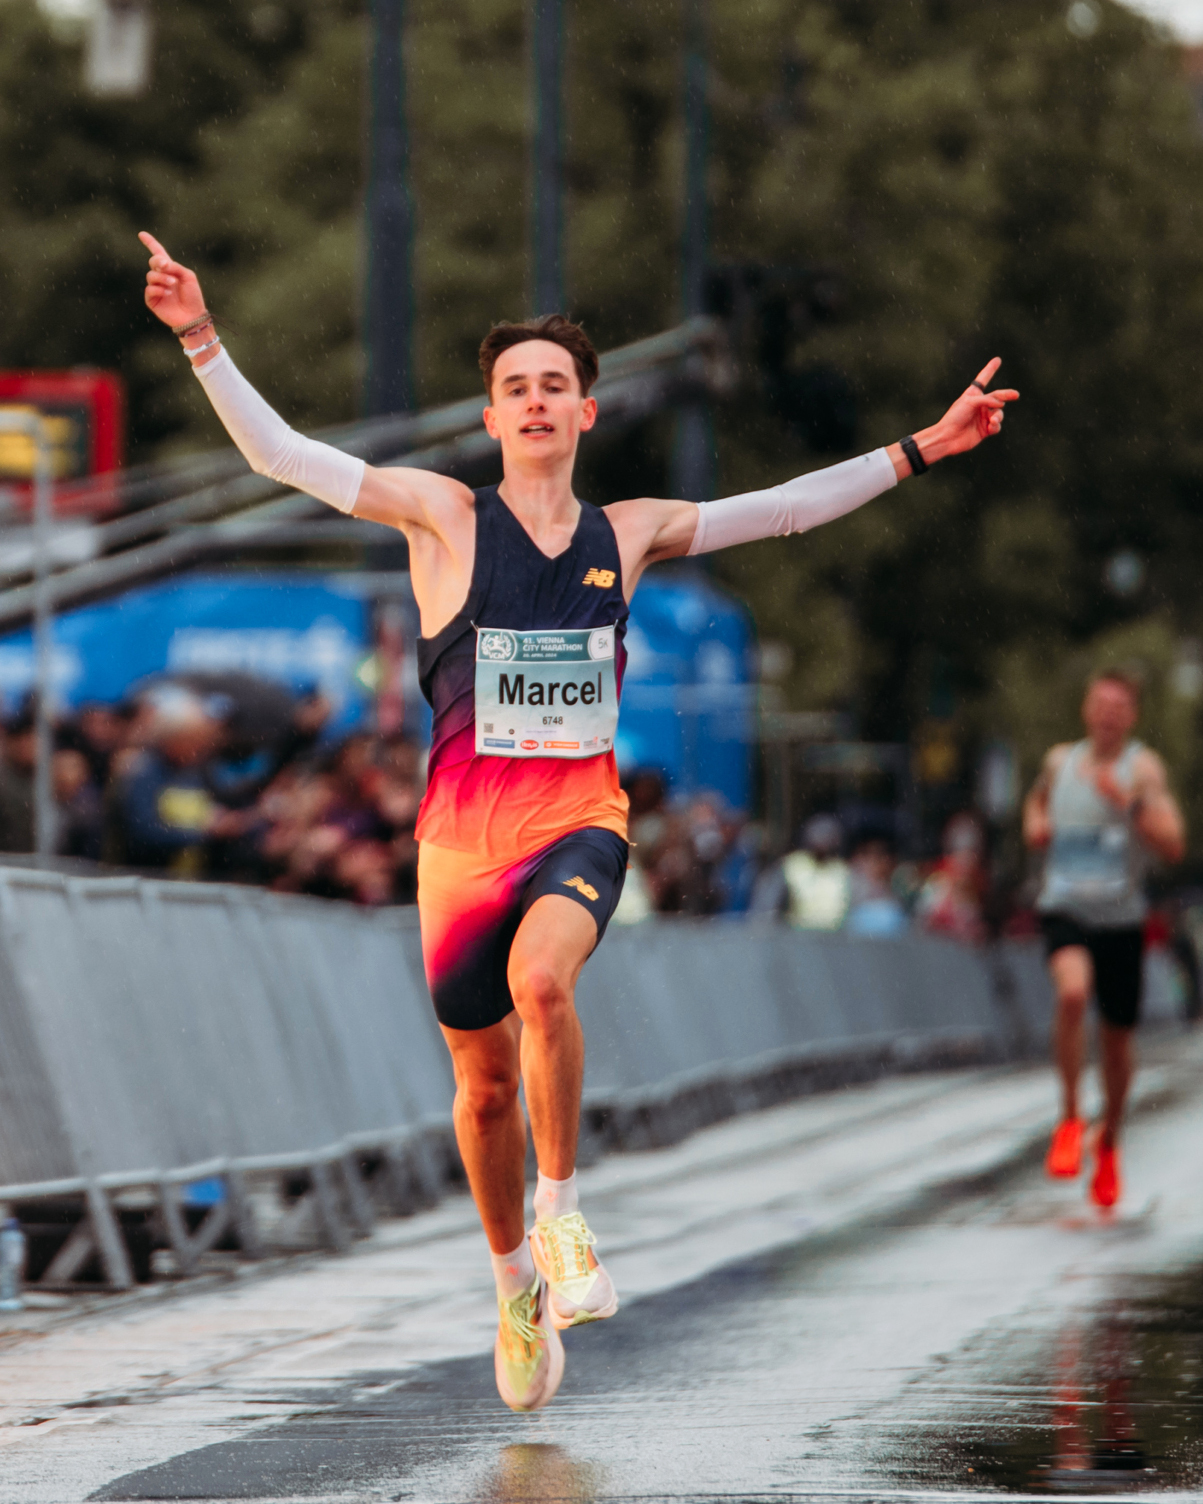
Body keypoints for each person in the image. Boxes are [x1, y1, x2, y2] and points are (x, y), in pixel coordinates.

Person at [138, 228, 1017, 1412]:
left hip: (576, 821)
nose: (538, 402)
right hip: (458, 849)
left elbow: (790, 508)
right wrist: (201, 337)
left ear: (588, 413)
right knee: (483, 1087)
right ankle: (510, 1281)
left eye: (557, 385)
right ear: (491, 417)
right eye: (516, 388)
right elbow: (283, 454)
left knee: (547, 984)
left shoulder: (631, 530)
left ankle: (560, 1218)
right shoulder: (441, 517)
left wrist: (922, 448)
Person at [1023, 668, 1185, 1209]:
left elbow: (1174, 844)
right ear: (1087, 709)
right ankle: (1071, 1117)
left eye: (1119, 707)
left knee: (1117, 1039)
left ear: (1131, 717)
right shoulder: (1058, 760)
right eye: (1100, 704)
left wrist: (1130, 804)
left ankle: (1109, 1138)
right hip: (1066, 907)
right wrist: (1035, 825)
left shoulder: (1142, 769)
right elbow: (1037, 801)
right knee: (1071, 994)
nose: (1108, 714)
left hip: (1120, 918)